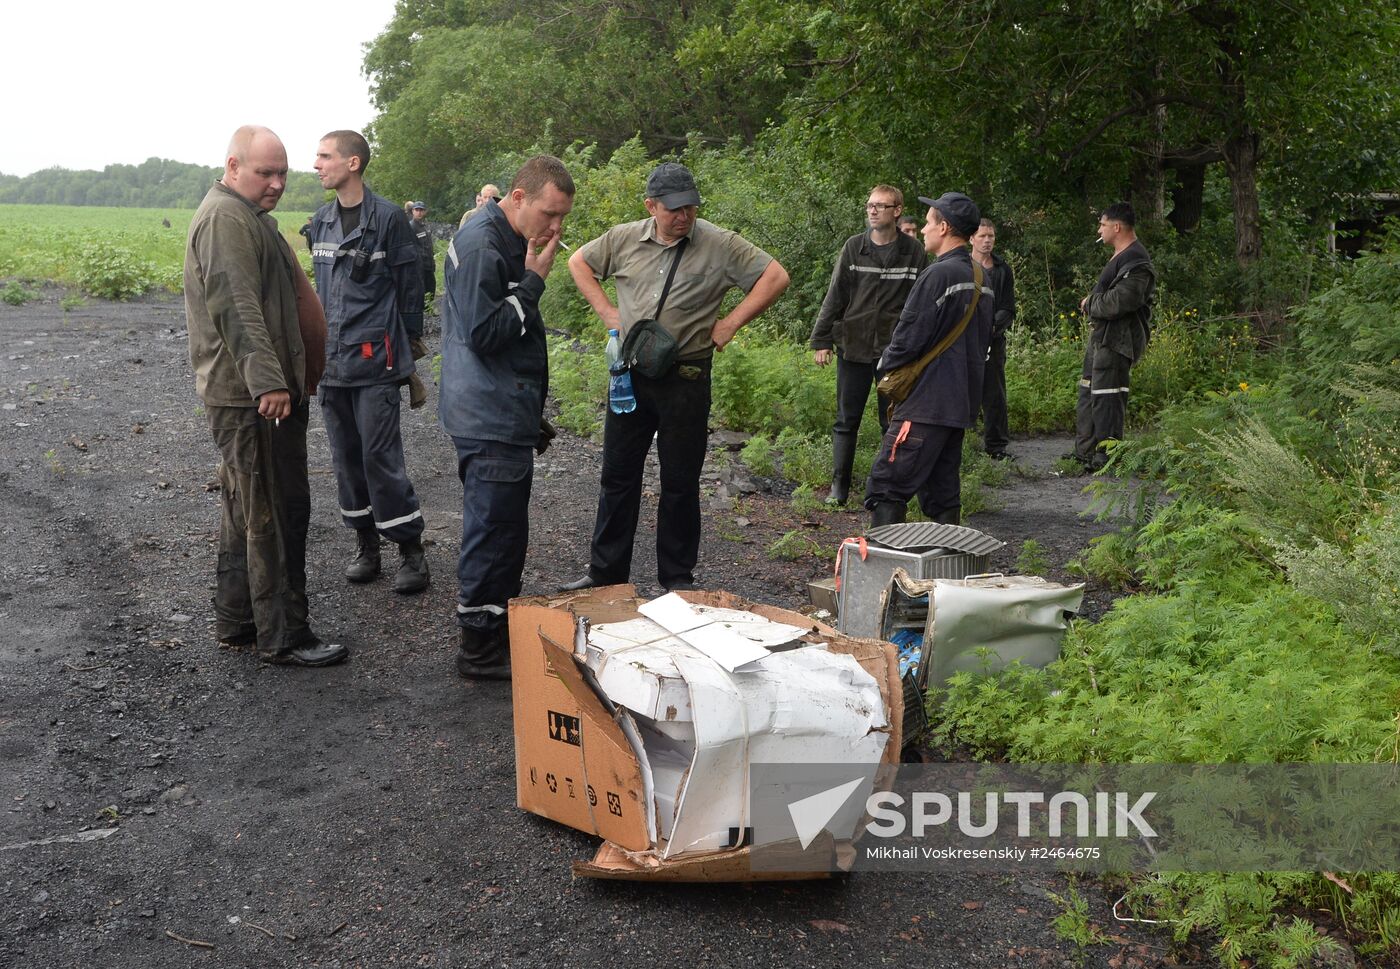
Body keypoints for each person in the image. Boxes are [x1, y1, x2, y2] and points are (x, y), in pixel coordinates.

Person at [560, 162, 790, 592]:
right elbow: (578, 262)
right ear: (651, 206)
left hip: (686, 378)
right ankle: (606, 574)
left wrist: (731, 323)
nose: (684, 216)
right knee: (617, 475)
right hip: (629, 375)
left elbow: (775, 277)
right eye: (674, 209)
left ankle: (678, 579)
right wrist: (608, 312)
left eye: (691, 207)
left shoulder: (721, 244)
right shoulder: (623, 237)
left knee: (680, 481)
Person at [184, 125, 346, 667]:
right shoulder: (227, 218)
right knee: (275, 510)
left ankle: (238, 619)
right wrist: (270, 382)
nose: (276, 182)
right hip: (254, 398)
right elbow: (236, 305)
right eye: (264, 173)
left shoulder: (246, 216)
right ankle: (284, 635)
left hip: (254, 394)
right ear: (233, 167)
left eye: (282, 173)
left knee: (244, 505)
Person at [440, 156, 575, 678]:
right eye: (549, 214)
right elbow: (486, 334)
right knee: (494, 531)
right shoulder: (482, 243)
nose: (555, 228)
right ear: (518, 198)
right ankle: (478, 649)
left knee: (503, 528)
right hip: (487, 414)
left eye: (563, 217)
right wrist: (534, 281)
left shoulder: (499, 234)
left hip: (497, 406)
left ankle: (494, 634)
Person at [309, 129, 430, 594]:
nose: (316, 164)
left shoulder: (389, 220)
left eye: (325, 156)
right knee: (345, 458)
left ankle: (410, 551)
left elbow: (411, 286)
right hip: (332, 365)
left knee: (381, 457)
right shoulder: (320, 221)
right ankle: (366, 545)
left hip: (374, 362)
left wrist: (406, 346)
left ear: (353, 163)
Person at [865, 192, 995, 528]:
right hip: (959, 406)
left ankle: (883, 575)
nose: (923, 230)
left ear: (945, 227)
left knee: (887, 486)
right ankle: (943, 575)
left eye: (928, 222)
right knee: (942, 496)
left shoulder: (938, 275)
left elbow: (908, 336)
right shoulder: (983, 278)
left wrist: (885, 368)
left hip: (925, 404)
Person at [809, 185, 927, 505]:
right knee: (847, 420)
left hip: (894, 353)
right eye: (869, 205)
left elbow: (920, 304)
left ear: (897, 211)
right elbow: (836, 295)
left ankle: (887, 490)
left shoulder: (914, 252)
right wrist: (822, 340)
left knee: (892, 421)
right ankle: (839, 487)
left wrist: (918, 348)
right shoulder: (853, 248)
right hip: (854, 347)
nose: (873, 211)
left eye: (880, 206)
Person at [1074, 202, 1156, 470]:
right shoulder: (1121, 256)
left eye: (1102, 224)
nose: (1099, 229)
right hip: (1102, 337)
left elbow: (1122, 300)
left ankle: (1106, 457)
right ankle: (1085, 452)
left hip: (1118, 340)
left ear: (1116, 227)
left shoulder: (1137, 261)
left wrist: (1091, 303)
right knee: (1089, 389)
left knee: (1109, 395)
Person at [970, 218, 1017, 460]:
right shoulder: (961, 266)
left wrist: (992, 327)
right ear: (971, 239)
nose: (987, 240)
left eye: (991, 236)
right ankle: (963, 440)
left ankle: (996, 445)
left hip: (993, 339)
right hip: (965, 339)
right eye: (982, 236)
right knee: (962, 389)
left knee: (994, 392)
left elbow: (1008, 308)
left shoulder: (1002, 269)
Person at [409, 201, 436, 303]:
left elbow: (429, 246)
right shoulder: (411, 227)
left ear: (424, 212)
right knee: (421, 289)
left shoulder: (425, 226)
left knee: (431, 286)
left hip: (428, 263)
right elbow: (411, 247)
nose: (419, 212)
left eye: (421, 210)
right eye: (417, 210)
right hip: (419, 265)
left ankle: (429, 307)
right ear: (412, 211)